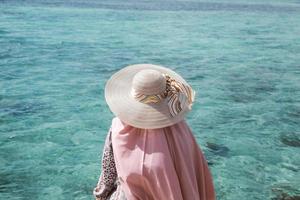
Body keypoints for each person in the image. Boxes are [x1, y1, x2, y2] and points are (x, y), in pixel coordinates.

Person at [93, 64, 216, 200]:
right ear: (166, 96)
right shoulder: (181, 129)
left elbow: (108, 174)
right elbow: (195, 168)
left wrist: (101, 195)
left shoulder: (118, 128)